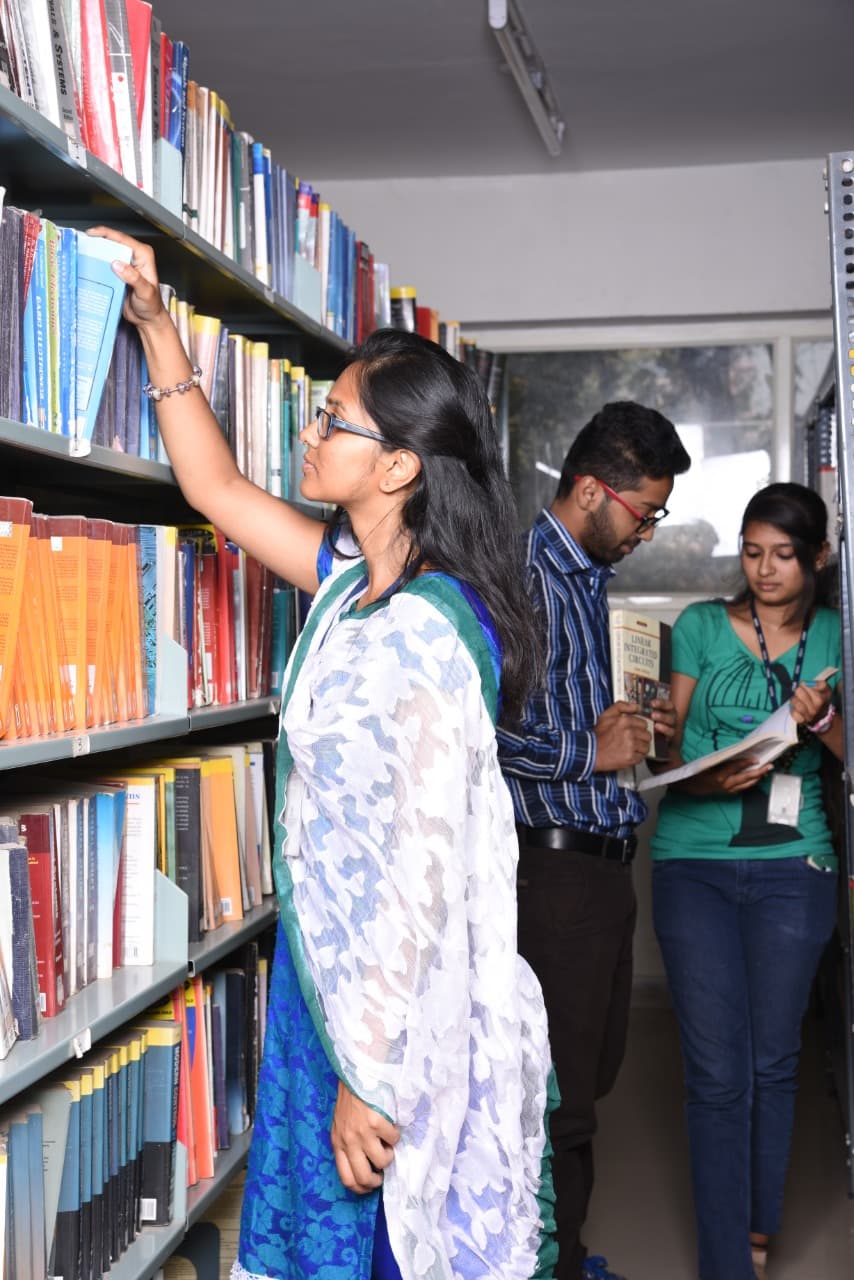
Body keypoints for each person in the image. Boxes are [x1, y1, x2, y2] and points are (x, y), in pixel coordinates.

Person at [90, 226, 558, 1280]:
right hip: (322, 981)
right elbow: (213, 490)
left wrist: (375, 1074)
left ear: (396, 462)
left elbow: (423, 871)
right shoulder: (352, 581)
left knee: (385, 1244)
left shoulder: (432, 632)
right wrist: (156, 324)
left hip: (389, 1014)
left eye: (332, 420)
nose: (310, 433)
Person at [497, 402, 692, 1280]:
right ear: (589, 489)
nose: (648, 531)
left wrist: (633, 727)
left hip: (605, 868)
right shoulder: (517, 577)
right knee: (556, 1101)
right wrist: (592, 747)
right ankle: (554, 1265)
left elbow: (572, 711)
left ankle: (563, 1253)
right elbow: (474, 727)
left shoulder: (590, 581)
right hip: (550, 870)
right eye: (643, 512)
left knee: (588, 1079)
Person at [650, 482, 843, 1280]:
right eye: (752, 552)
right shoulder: (700, 625)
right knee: (716, 1072)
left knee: (774, 1063)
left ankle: (758, 1231)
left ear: (818, 560)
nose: (764, 571)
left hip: (795, 868)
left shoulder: (838, 631)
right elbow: (667, 756)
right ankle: (727, 1262)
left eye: (784, 557)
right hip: (692, 864)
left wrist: (825, 723)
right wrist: (687, 763)